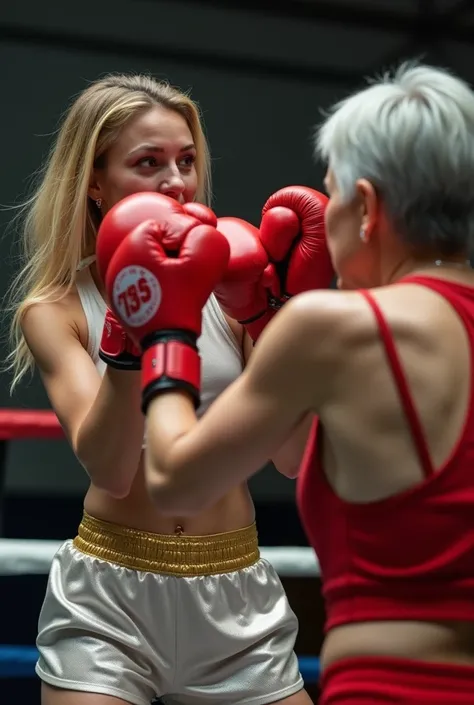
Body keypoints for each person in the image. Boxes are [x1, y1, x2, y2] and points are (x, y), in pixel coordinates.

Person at [98, 61, 474, 705]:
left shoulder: (333, 327)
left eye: (332, 194)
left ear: (368, 208)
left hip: (392, 688)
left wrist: (165, 334)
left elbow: (176, 476)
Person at [7, 73, 321, 705]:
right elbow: (111, 467)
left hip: (236, 595)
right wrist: (133, 322)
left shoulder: (236, 287)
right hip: (110, 601)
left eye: (185, 161)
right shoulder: (57, 309)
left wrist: (272, 312)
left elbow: (292, 458)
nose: (175, 182)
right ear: (93, 183)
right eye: (148, 162)